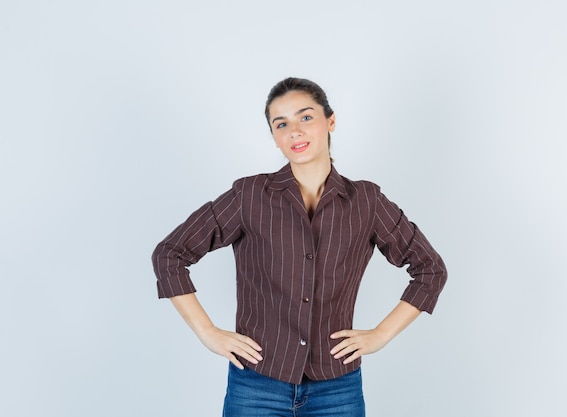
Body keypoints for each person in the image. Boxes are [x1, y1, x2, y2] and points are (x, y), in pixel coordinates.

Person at [151, 77, 447, 416]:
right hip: (256, 383)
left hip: (338, 388)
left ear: (330, 121)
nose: (295, 131)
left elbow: (430, 269)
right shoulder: (249, 196)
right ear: (275, 138)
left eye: (306, 117)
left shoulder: (366, 201)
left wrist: (381, 334)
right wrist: (207, 333)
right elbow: (169, 254)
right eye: (282, 124)